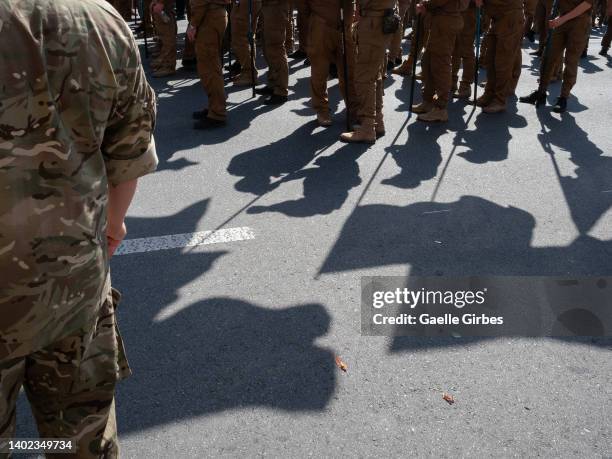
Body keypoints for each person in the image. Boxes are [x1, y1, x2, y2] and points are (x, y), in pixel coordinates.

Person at [0, 0, 157, 456]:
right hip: (74, 284)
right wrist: (110, 228)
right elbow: (130, 149)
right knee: (81, 439)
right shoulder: (100, 18)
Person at [520, 0, 593, 112]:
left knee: (571, 61)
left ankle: (563, 97)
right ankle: (541, 92)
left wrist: (561, 19)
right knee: (548, 56)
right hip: (561, 19)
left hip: (579, 22)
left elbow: (587, 4)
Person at [340, 0, 396, 144]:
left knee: (363, 77)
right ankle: (376, 120)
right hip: (378, 20)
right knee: (373, 75)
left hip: (373, 23)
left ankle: (367, 127)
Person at [412, 0, 466, 123]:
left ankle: (440, 108)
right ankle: (428, 101)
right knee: (428, 61)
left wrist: (425, 5)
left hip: (446, 20)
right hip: (440, 20)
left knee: (440, 65)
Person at [307, 0, 358, 127]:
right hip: (321, 22)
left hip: (345, 25)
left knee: (349, 70)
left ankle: (353, 110)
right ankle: (321, 109)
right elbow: (302, 6)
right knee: (320, 70)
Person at [474, 0, 525, 113]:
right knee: (490, 59)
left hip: (510, 18)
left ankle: (499, 100)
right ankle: (489, 93)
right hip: (498, 18)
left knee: (503, 62)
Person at [189, 0, 231, 127]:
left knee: (210, 67)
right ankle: (214, 107)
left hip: (209, 16)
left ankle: (217, 112)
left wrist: (193, 24)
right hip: (212, 13)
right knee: (211, 65)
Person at [256, 0, 291, 105]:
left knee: (276, 47)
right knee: (268, 49)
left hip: (276, 6)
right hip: (267, 6)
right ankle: (273, 84)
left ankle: (281, 90)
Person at [230, 0, 262, 86]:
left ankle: (249, 73)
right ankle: (249, 72)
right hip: (250, 3)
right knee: (248, 37)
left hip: (246, 3)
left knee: (240, 37)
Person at [151, 0, 178, 77]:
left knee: (168, 37)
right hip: (161, 4)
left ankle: (168, 66)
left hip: (164, 6)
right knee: (163, 35)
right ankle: (164, 62)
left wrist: (161, 2)